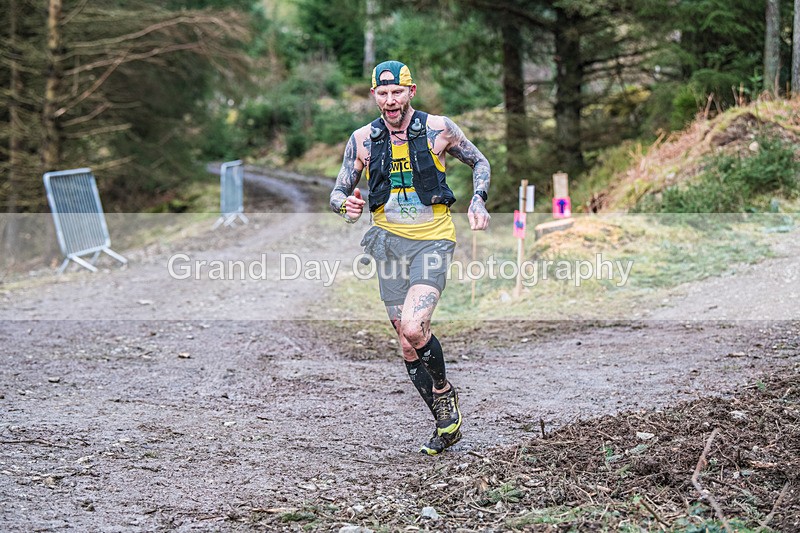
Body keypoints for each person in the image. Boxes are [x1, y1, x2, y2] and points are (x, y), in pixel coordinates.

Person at [330, 60, 491, 455]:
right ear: (374, 96)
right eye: (382, 94)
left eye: (397, 92)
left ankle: (443, 391)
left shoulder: (439, 129)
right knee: (405, 343)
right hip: (388, 246)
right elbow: (338, 191)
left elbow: (480, 162)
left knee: (416, 328)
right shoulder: (363, 140)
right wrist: (345, 207)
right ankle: (445, 423)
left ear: (410, 92)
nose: (390, 100)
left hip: (432, 240)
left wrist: (478, 199)